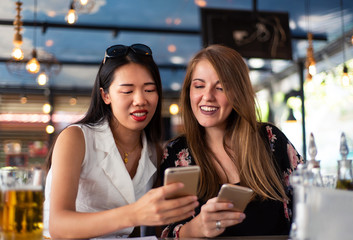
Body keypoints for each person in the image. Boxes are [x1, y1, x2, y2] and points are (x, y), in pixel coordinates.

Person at [43, 43, 198, 239]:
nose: (140, 100)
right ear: (105, 95)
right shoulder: (76, 138)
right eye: (127, 91)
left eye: (149, 90)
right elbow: (58, 226)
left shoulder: (153, 152)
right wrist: (134, 214)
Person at [160, 44, 303, 238]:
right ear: (189, 92)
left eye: (221, 88)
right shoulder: (177, 152)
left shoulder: (270, 139)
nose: (208, 96)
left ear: (238, 93)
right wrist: (198, 227)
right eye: (199, 86)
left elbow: (310, 202)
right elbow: (166, 232)